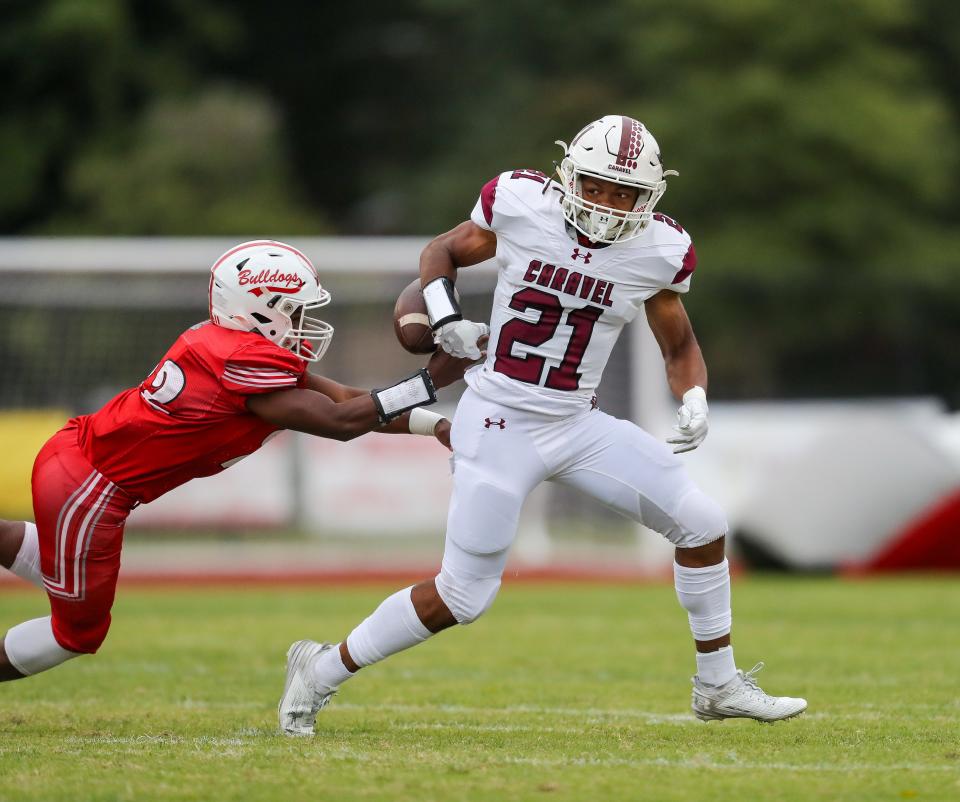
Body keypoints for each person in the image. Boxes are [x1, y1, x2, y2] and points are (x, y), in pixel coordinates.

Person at [279, 115, 807, 735]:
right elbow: (441, 251)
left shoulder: (659, 250)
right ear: (569, 177)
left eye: (625, 193)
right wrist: (445, 315)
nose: (608, 204)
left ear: (650, 196)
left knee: (703, 522)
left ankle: (717, 685)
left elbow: (679, 345)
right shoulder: (523, 203)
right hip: (498, 419)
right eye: (598, 186)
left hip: (576, 424)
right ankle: (319, 671)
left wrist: (694, 395)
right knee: (463, 597)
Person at [0, 239, 459, 683]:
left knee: (58, 565)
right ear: (260, 308)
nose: (302, 321)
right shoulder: (242, 359)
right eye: (293, 309)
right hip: (89, 490)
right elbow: (340, 421)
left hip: (74, 457)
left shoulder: (232, 345)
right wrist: (432, 377)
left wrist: (433, 425)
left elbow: (346, 399)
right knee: (78, 632)